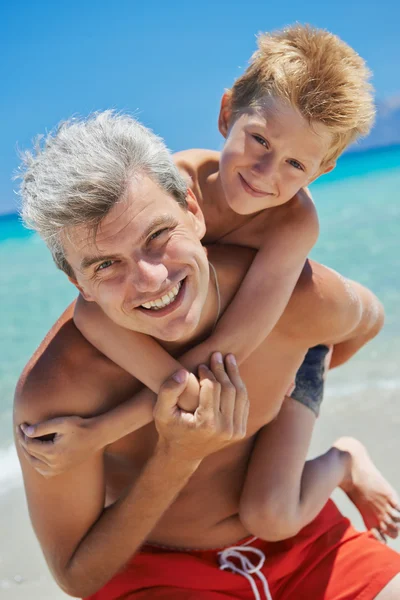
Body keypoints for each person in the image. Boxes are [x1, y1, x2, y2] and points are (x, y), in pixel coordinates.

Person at [18, 26, 399, 541]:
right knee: (88, 316)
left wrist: (100, 431)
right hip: (215, 348)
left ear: (324, 170)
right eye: (260, 138)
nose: (266, 171)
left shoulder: (294, 226)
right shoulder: (173, 182)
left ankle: (344, 460)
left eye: (295, 163)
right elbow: (95, 304)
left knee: (273, 518)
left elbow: (226, 352)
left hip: (270, 351)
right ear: (226, 114)